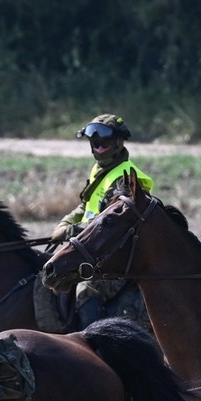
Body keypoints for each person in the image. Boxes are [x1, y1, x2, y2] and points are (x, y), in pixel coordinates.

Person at [49, 114, 154, 328]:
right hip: (93, 248)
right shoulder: (101, 171)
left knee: (87, 290)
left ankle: (95, 344)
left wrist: (68, 233)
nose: (98, 145)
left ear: (119, 141)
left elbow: (107, 227)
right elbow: (84, 206)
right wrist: (64, 222)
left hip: (117, 255)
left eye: (105, 139)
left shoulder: (125, 178)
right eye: (93, 140)